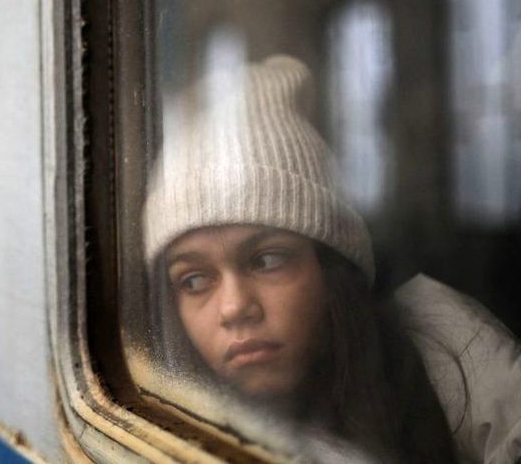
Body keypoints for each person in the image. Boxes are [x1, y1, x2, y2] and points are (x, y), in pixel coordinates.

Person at [143, 56, 521, 463]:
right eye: (194, 280)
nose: (235, 308)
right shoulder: (156, 406)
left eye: (268, 260)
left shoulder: (446, 352)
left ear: (331, 268)